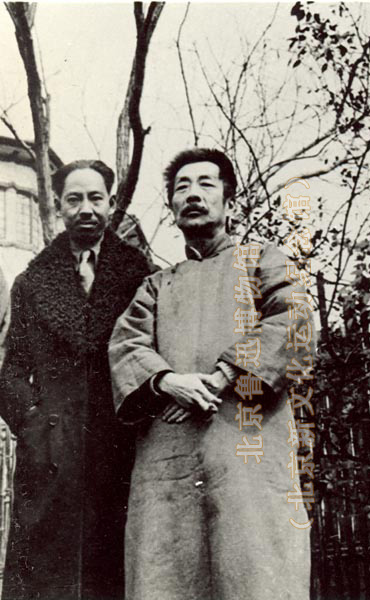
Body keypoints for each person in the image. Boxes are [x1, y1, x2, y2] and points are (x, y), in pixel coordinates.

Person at [109, 148, 315, 600]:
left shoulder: (263, 261)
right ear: (171, 208)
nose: (193, 195)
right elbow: (126, 346)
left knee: (255, 573)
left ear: (229, 201)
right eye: (182, 187)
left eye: (205, 184)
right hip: (169, 458)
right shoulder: (156, 286)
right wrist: (169, 382)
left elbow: (293, 320)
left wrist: (223, 375)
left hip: (247, 446)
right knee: (166, 575)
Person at [0, 160, 155, 600]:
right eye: (74, 199)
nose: (86, 209)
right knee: (48, 574)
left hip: (121, 447)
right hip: (51, 451)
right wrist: (34, 424)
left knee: (116, 569)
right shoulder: (31, 283)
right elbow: (10, 369)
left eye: (95, 198)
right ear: (58, 207)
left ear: (111, 203)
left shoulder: (139, 275)